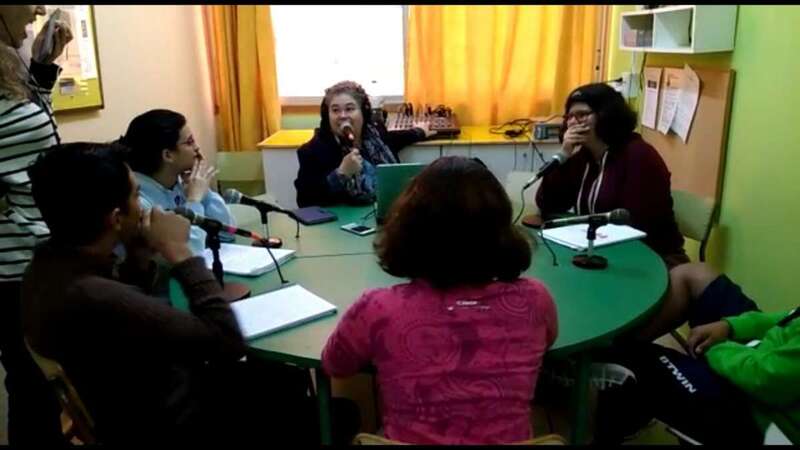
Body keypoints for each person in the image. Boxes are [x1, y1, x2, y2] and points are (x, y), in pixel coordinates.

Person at [22, 142, 340, 444]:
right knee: (337, 414)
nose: (142, 206)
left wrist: (138, 257)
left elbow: (129, 321)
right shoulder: (94, 296)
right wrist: (180, 253)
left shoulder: (46, 269)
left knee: (283, 379)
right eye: (136, 195)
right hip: (173, 423)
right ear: (116, 218)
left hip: (131, 401)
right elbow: (225, 341)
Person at [321, 156, 558, 444]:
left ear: (409, 230)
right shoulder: (535, 299)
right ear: (502, 229)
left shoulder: (378, 308)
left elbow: (335, 364)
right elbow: (546, 341)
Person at [594, 263, 799, 445]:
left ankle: (596, 420)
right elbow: (789, 318)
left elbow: (765, 379)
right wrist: (730, 326)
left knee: (641, 359)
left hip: (761, 415)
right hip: (763, 356)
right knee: (694, 275)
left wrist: (715, 348)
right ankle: (608, 362)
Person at [0, 5, 73, 445]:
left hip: (36, 260)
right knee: (32, 391)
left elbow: (30, 139)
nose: (41, 9)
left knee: (42, 391)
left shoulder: (9, 65)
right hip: (12, 272)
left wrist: (42, 70)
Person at [536, 83, 689, 269]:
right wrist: (564, 155)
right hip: (598, 250)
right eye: (569, 117)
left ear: (606, 116)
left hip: (653, 258)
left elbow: (636, 223)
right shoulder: (583, 157)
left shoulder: (639, 156)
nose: (573, 123)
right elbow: (547, 204)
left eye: (582, 115)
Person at [294, 80, 435, 207]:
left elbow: (394, 138)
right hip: (343, 223)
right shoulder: (312, 151)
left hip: (387, 215)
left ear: (363, 112)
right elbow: (305, 201)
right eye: (335, 110)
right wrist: (340, 174)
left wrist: (419, 132)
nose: (343, 115)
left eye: (349, 109)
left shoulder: (376, 134)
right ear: (327, 116)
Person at [119, 109, 235, 255]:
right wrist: (194, 200)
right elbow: (189, 253)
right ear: (168, 155)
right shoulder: (139, 202)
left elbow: (227, 233)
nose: (197, 148)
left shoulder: (178, 183)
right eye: (190, 142)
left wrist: (204, 192)